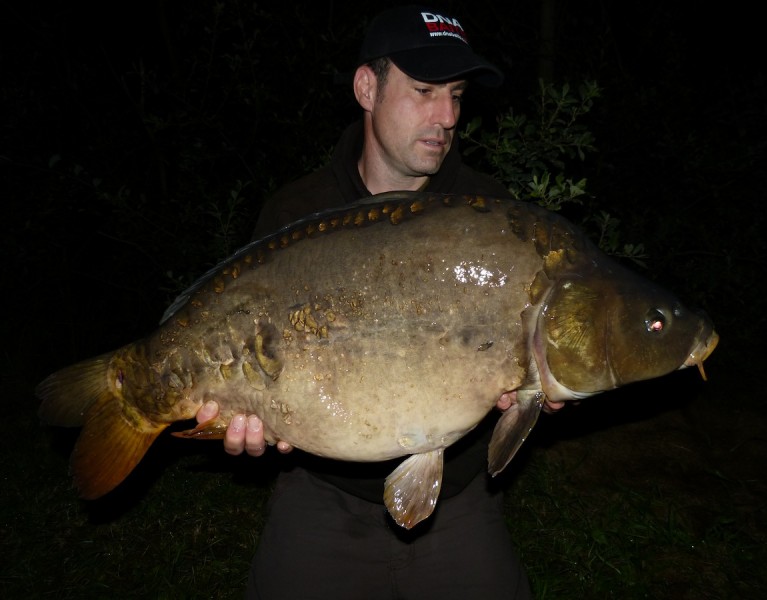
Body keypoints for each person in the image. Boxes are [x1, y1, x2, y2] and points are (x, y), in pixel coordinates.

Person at [196, 6, 562, 598]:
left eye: (456, 94)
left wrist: (538, 384)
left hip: (459, 496)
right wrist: (245, 419)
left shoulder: (492, 215)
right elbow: (250, 352)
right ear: (368, 87)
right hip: (322, 490)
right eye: (424, 91)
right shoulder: (297, 212)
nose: (446, 117)